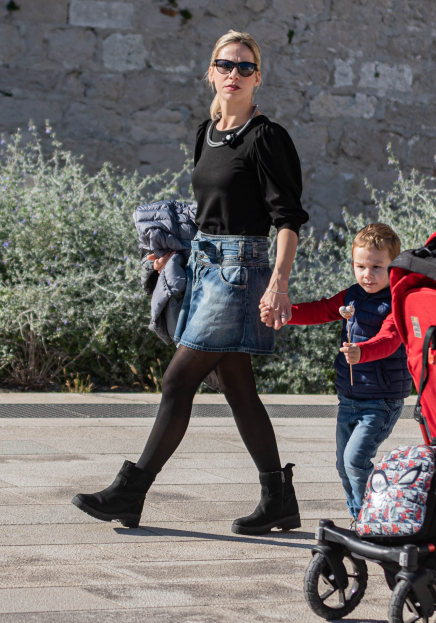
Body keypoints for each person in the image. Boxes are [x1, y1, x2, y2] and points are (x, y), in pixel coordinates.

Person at [72, 30, 309, 535]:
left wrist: (279, 284)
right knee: (235, 385)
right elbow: (209, 209)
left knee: (179, 380)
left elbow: (288, 219)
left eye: (246, 67)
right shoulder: (206, 132)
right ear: (210, 71)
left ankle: (131, 491)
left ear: (258, 78)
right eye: (226, 64)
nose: (234, 74)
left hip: (240, 271)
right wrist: (175, 253)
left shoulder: (268, 138)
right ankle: (278, 499)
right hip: (204, 265)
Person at [278, 223, 412, 522]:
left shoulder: (397, 301)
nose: (368, 274)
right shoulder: (352, 296)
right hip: (350, 398)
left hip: (382, 400)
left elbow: (391, 340)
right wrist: (287, 314)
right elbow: (321, 309)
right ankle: (360, 517)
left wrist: (363, 352)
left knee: (356, 460)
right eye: (360, 265)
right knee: (343, 463)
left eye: (377, 266)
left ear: (394, 267)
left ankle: (376, 516)